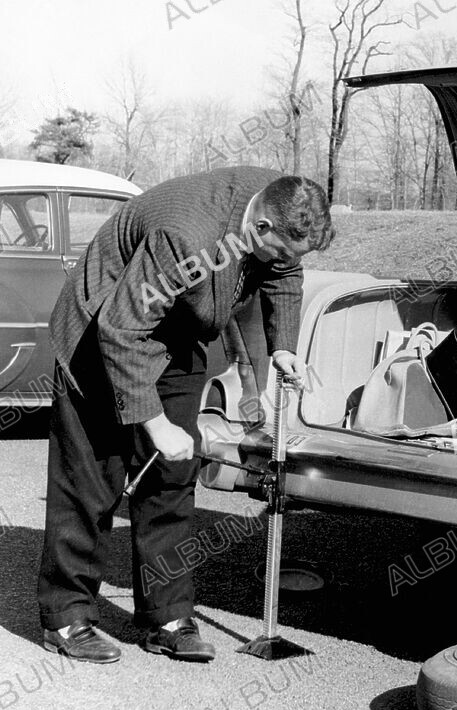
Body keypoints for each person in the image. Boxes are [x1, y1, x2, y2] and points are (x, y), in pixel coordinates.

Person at [37, 166, 335, 664]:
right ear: (259, 227)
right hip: (103, 332)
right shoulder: (185, 233)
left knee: (174, 475)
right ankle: (66, 618)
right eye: (278, 250)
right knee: (92, 480)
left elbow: (284, 273)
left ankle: (167, 617)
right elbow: (121, 331)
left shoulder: (281, 205)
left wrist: (283, 347)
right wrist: (154, 423)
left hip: (176, 335)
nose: (283, 262)